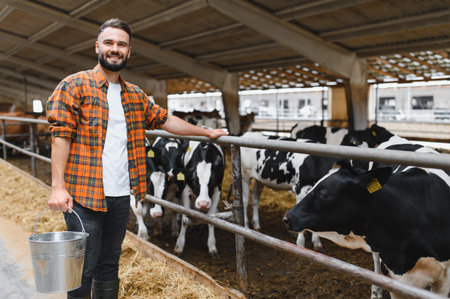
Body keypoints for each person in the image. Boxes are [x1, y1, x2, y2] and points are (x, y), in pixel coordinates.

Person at [46, 18, 228, 299]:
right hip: (84, 195)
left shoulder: (135, 95)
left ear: (129, 51)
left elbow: (166, 120)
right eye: (109, 43)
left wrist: (205, 132)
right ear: (97, 47)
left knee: (109, 263)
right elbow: (61, 137)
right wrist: (58, 186)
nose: (115, 49)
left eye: (122, 44)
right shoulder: (75, 86)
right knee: (83, 266)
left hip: (121, 195)